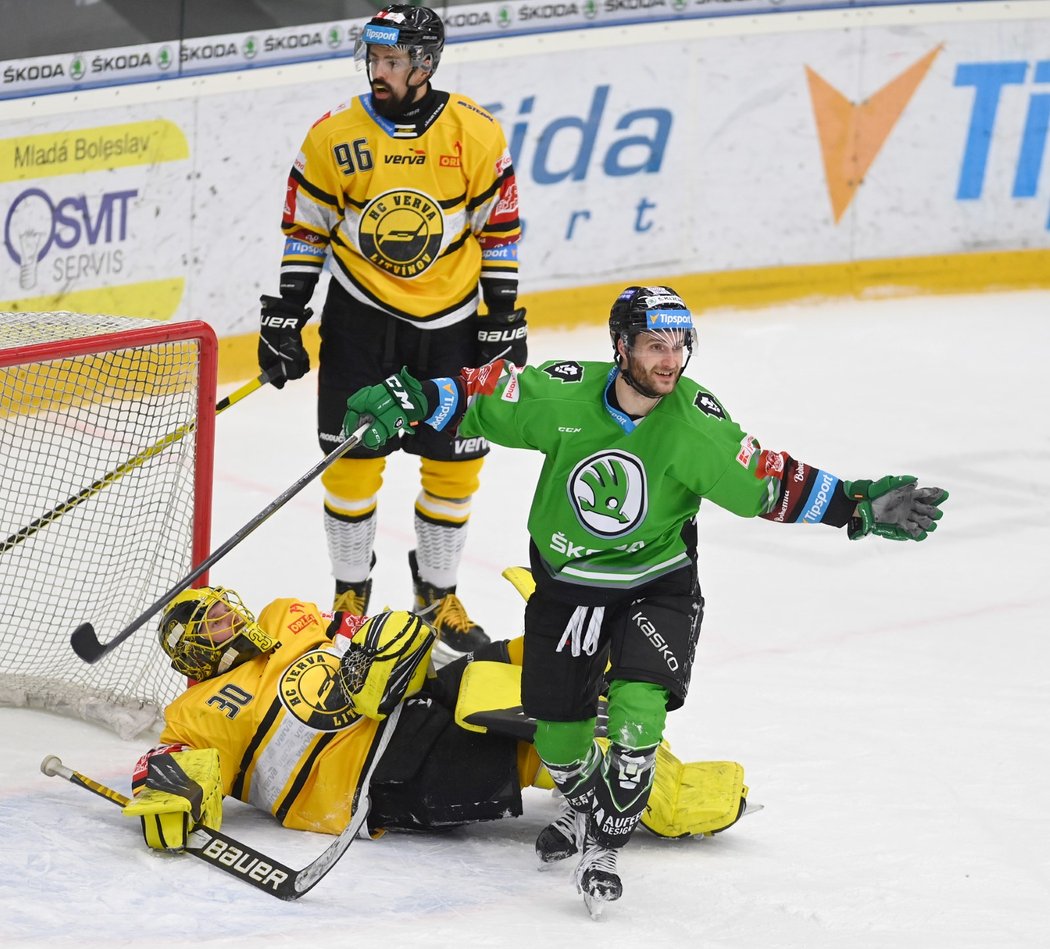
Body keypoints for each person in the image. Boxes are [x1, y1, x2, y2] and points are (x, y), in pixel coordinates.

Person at [339, 284, 949, 917]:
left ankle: (605, 844)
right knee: (559, 742)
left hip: (655, 585)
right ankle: (579, 798)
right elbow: (480, 394)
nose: (671, 360)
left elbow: (766, 482)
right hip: (569, 584)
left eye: (681, 345)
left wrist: (857, 504)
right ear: (622, 347)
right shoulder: (564, 395)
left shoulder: (696, 426)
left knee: (636, 716)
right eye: (656, 344)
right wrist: (410, 398)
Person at [255, 4, 526, 660]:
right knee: (350, 463)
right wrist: (286, 315)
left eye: (394, 60)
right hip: (359, 319)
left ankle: (437, 596)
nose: (380, 70)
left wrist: (501, 319)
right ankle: (350, 600)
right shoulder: (334, 135)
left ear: (426, 65)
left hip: (452, 322)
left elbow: (499, 231)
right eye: (375, 58)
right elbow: (308, 229)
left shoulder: (477, 134)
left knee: (455, 466)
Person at [127, 585, 751, 861]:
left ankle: (571, 659)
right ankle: (677, 797)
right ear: (193, 653)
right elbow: (182, 763)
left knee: (492, 668)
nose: (226, 620)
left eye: (221, 609)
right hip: (375, 779)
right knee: (534, 742)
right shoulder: (201, 707)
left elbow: (349, 633)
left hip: (408, 703)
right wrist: (172, 791)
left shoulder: (286, 614)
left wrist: (380, 645)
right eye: (208, 624)